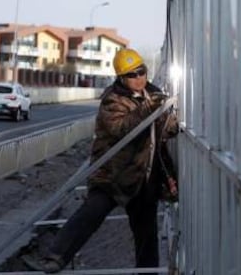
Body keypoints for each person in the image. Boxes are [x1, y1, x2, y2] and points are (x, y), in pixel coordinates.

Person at [22, 48, 179, 273]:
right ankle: (54, 258)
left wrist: (172, 121)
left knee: (147, 239)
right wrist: (149, 108)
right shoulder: (112, 100)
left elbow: (165, 130)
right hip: (112, 176)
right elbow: (122, 129)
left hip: (143, 178)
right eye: (132, 75)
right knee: (90, 214)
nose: (139, 78)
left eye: (141, 72)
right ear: (121, 79)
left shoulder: (152, 95)